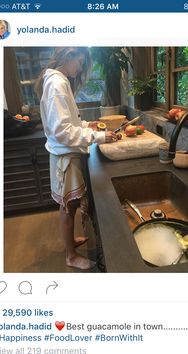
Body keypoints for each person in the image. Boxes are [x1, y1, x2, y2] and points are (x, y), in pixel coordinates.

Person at [35, 47, 121, 270]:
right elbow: (62, 131)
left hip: (65, 155)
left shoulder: (57, 81)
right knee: (68, 207)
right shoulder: (57, 84)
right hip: (65, 157)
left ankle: (70, 243)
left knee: (68, 206)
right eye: (79, 62)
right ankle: (71, 257)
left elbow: (67, 124)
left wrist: (86, 125)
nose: (80, 67)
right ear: (68, 56)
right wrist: (98, 136)